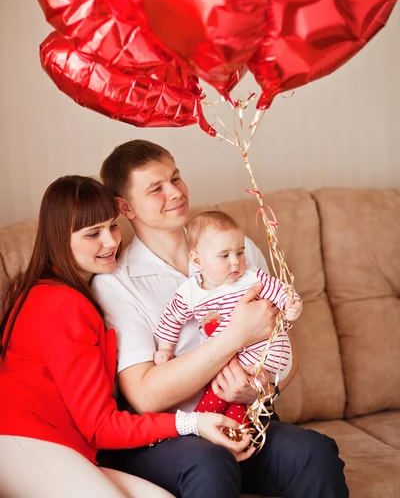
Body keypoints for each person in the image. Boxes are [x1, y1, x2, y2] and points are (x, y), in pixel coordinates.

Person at [93, 140, 349, 498]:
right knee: (210, 463)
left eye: (176, 178)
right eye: (156, 188)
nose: (176, 192)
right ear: (125, 207)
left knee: (314, 453)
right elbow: (145, 396)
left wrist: (260, 386)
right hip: (170, 434)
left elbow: (281, 350)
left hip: (241, 418)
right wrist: (235, 335)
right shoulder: (117, 282)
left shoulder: (236, 251)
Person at [0, 175, 255, 498]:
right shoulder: (59, 303)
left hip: (64, 447)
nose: (111, 242)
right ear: (59, 238)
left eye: (113, 226)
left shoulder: (69, 295)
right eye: (93, 233)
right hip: (23, 441)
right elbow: (100, 425)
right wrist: (194, 422)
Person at [154, 210, 303, 423]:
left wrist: (292, 305)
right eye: (225, 255)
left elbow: (280, 291)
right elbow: (171, 319)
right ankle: (231, 429)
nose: (236, 262)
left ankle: (209, 422)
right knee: (226, 381)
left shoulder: (251, 277)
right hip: (236, 358)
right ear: (197, 260)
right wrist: (165, 349)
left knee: (222, 385)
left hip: (267, 351)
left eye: (240, 253)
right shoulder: (191, 292)